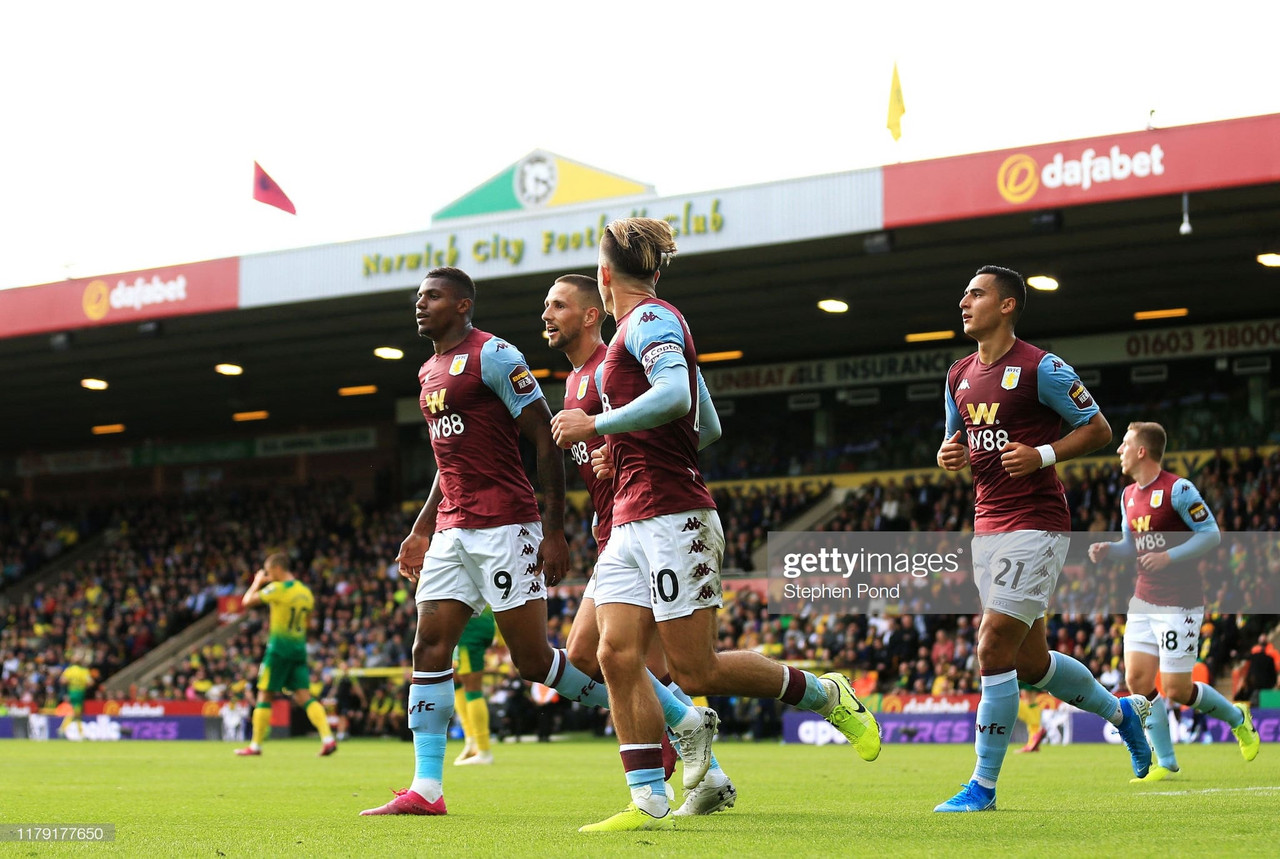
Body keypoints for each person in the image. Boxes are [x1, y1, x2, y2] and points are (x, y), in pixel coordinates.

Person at [552, 219, 880, 833]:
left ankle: (826, 694)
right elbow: (708, 426)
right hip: (628, 520)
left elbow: (677, 395)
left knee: (694, 670)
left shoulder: (652, 320)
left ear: (603, 276)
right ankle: (647, 796)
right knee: (613, 653)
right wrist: (622, 446)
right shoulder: (630, 333)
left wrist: (601, 427)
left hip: (676, 516)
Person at [361, 267, 714, 817]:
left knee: (536, 661)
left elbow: (546, 440)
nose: (420, 304)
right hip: (454, 529)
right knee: (429, 646)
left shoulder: (496, 356)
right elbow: (445, 460)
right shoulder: (428, 369)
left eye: (431, 296)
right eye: (418, 296)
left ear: (462, 305)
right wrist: (422, 527)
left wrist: (552, 528)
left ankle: (677, 717)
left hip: (506, 524)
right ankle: (426, 786)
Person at [934, 264, 1150, 812]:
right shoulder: (957, 373)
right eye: (964, 295)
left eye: (976, 295)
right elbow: (954, 441)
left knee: (991, 644)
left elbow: (1099, 429)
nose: (964, 303)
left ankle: (982, 786)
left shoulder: (1041, 367)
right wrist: (948, 453)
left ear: (1006, 305)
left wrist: (1044, 454)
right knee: (1031, 664)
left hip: (1037, 521)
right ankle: (1121, 713)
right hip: (987, 524)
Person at [544, 273, 736, 816]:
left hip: (654, 525)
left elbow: (704, 423)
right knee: (589, 656)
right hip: (617, 531)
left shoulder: (623, 359)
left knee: (641, 664)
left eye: (557, 305)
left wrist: (618, 440)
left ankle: (671, 774)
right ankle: (696, 751)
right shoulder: (577, 378)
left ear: (588, 313)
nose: (546, 314)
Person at [1088, 421, 1259, 780]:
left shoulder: (1178, 489)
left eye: (1124, 443)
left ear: (1142, 451)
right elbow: (1130, 546)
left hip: (1179, 604)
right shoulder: (1127, 496)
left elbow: (1210, 535)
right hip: (1143, 600)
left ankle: (1237, 716)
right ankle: (1165, 762)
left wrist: (1169, 557)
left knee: (1178, 689)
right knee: (1137, 679)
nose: (1118, 450)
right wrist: (1110, 551)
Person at [235, 553, 336, 757]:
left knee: (264, 693)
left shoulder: (277, 589)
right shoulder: (305, 592)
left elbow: (246, 602)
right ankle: (328, 738)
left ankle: (255, 746)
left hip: (278, 650)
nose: (268, 575)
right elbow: (307, 624)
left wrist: (257, 582)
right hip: (298, 649)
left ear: (278, 569)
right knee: (304, 696)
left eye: (269, 571)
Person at [452, 607, 496, 765]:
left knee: (472, 688)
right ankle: (471, 742)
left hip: (470, 622)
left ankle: (484, 751)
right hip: (462, 621)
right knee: (456, 681)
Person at [58, 663, 93, 739]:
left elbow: (62, 680)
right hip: (80, 693)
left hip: (72, 693)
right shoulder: (84, 671)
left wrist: (71, 682)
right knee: (76, 713)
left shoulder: (69, 670)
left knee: (77, 714)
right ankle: (63, 729)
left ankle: (79, 733)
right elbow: (90, 682)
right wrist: (82, 684)